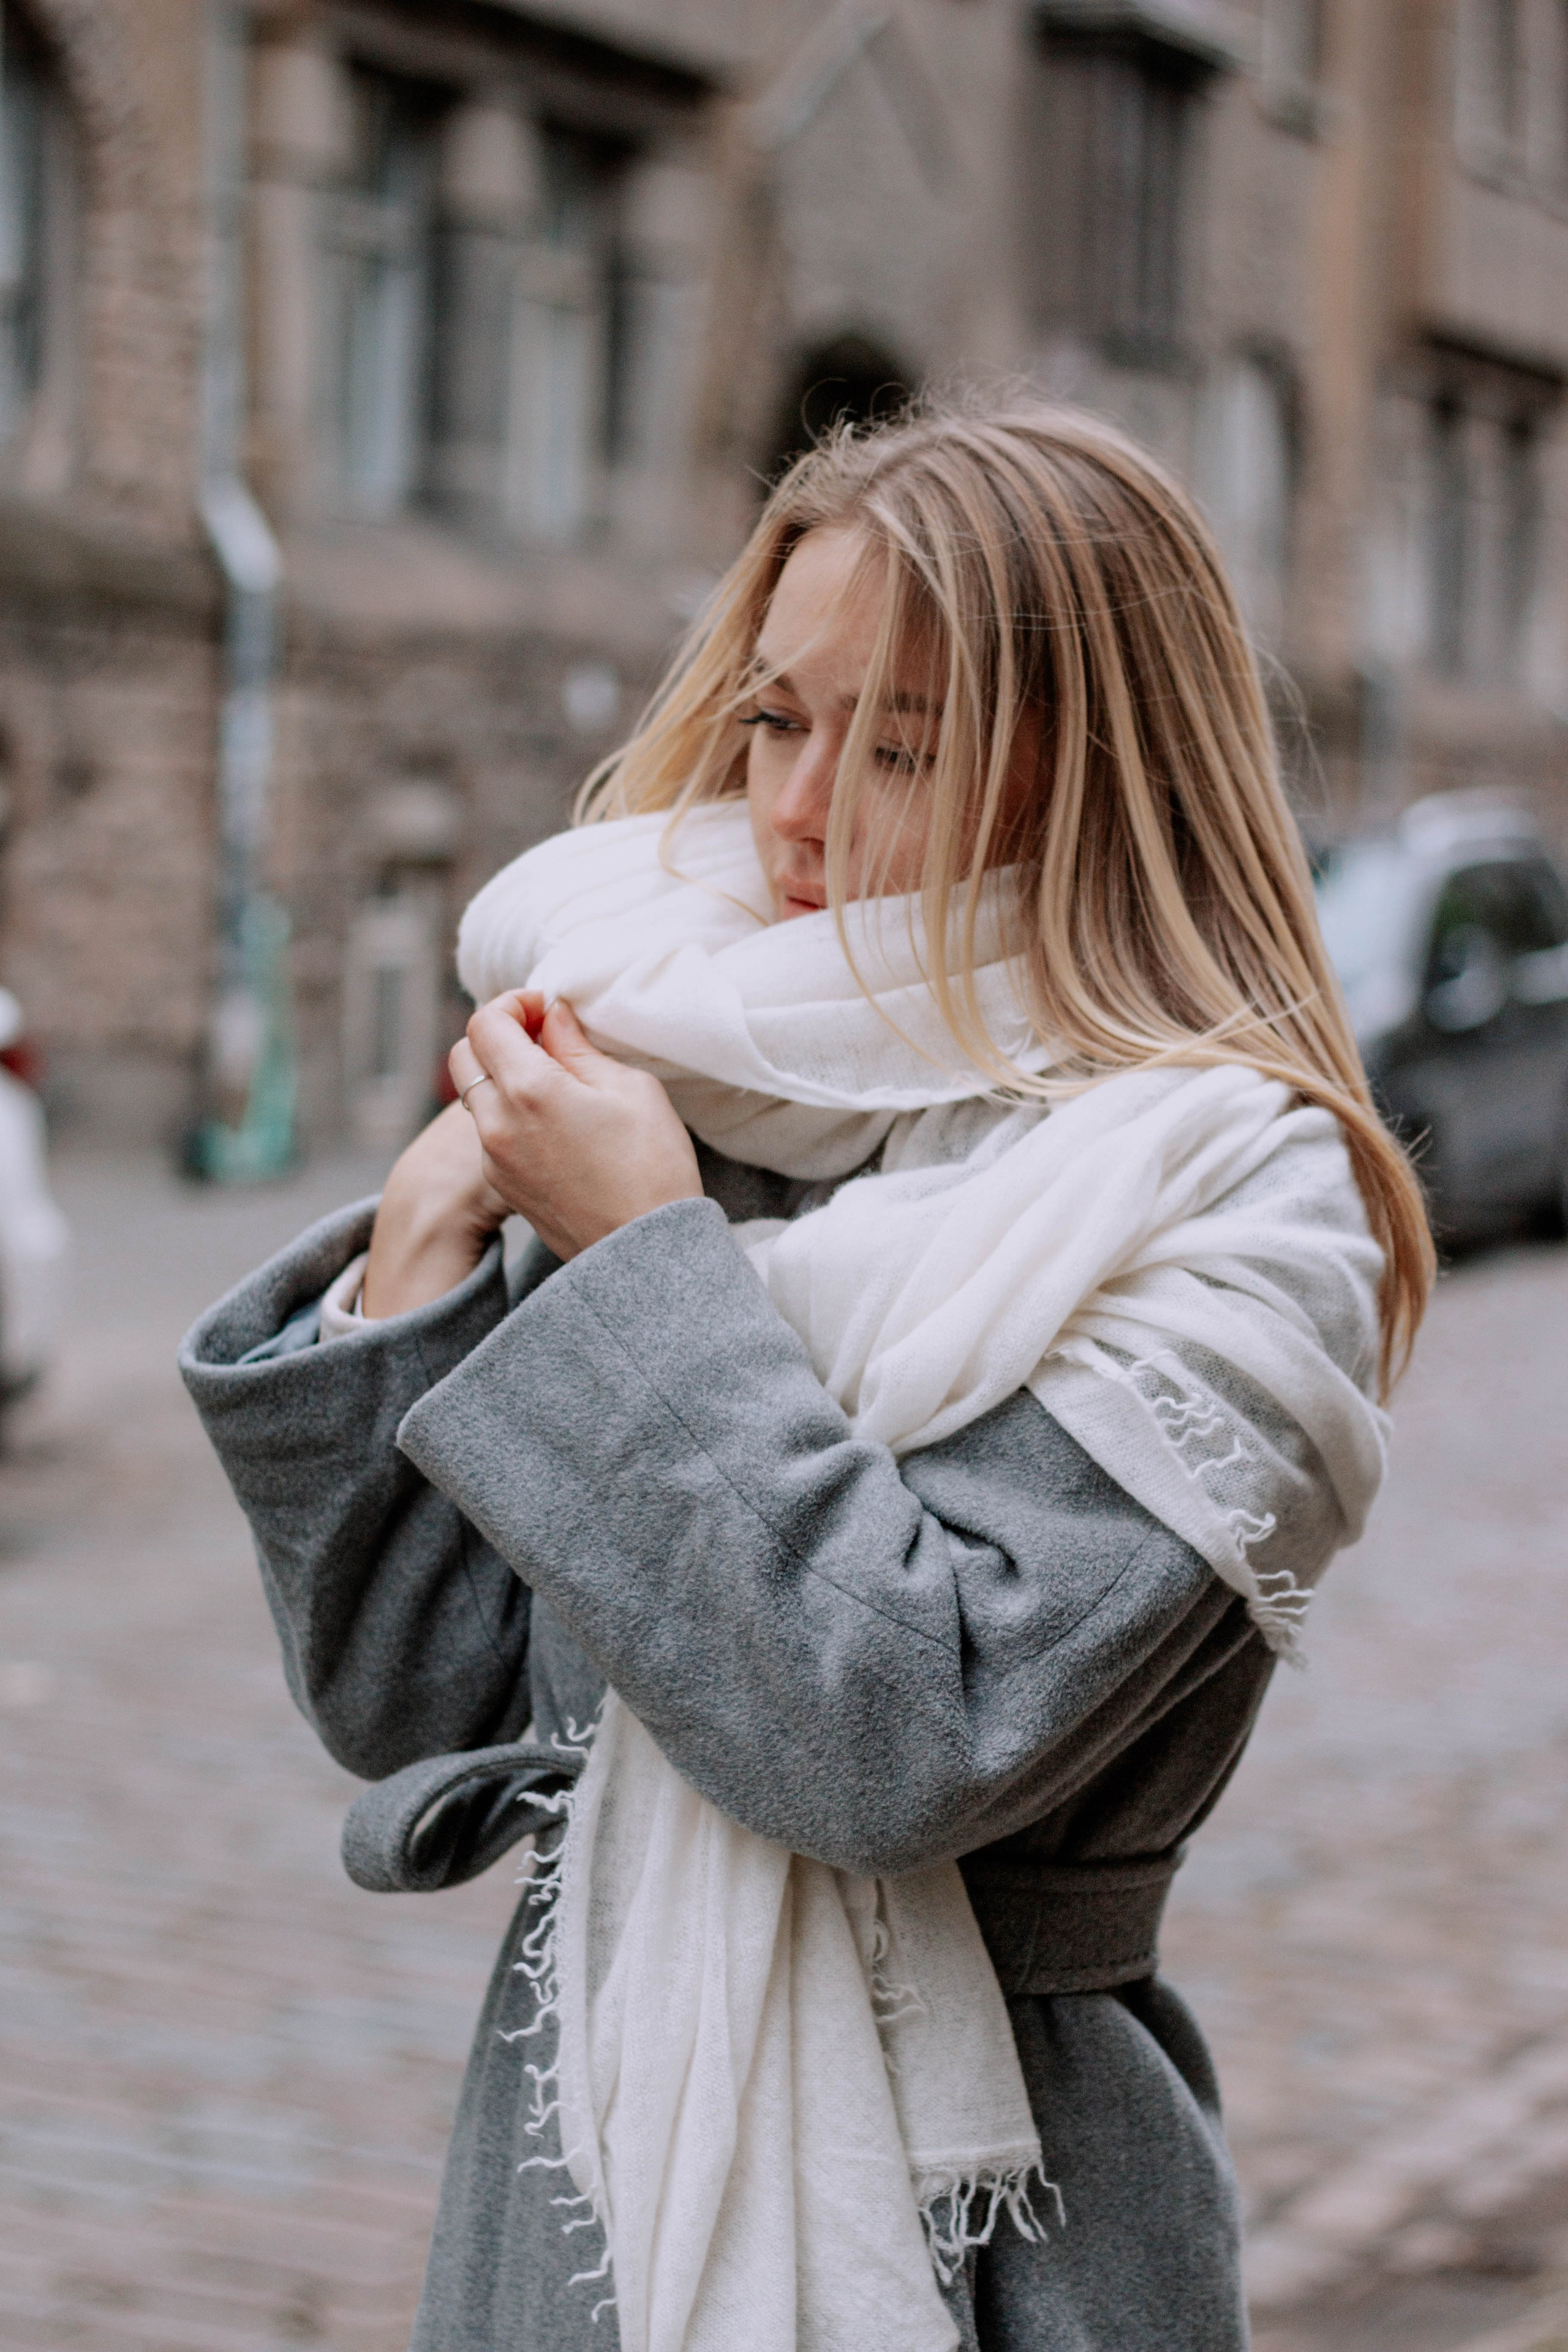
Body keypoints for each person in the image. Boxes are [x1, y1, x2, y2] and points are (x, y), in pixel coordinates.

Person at [181, 399, 1433, 2352]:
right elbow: (412, 1698)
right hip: (583, 2158)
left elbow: (896, 1741)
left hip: (997, 2213)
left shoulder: (1232, 1202)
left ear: (1092, 776)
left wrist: (637, 1265)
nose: (801, 808)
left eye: (905, 743)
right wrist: (417, 1257)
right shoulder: (701, 1072)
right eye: (777, 717)